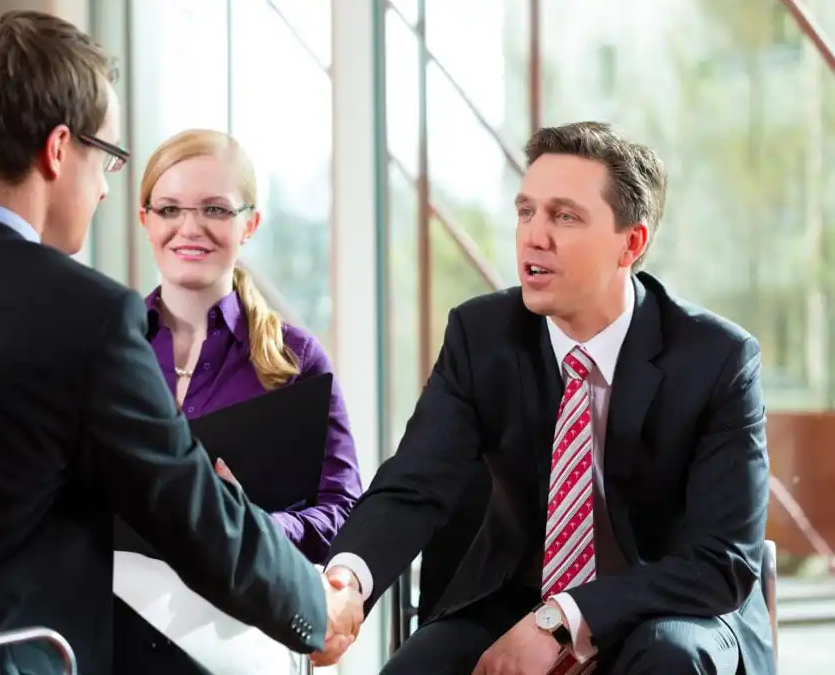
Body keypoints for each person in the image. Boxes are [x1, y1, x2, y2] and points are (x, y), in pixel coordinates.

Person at [0, 10, 360, 675]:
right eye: (109, 160)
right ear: (60, 149)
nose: (104, 187)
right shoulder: (85, 316)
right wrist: (313, 608)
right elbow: (189, 511)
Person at [316, 122, 773, 675]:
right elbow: (414, 485)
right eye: (526, 211)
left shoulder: (716, 358)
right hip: (517, 596)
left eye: (565, 216)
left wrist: (564, 619)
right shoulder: (481, 336)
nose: (534, 235)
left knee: (669, 660)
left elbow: (721, 560)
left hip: (672, 607)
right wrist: (346, 579)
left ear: (632, 243)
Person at [137, 128, 362, 564]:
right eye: (169, 209)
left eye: (215, 209)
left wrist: (257, 526)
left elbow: (344, 511)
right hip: (114, 617)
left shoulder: (296, 361)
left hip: (244, 622)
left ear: (250, 224)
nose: (189, 228)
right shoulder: (107, 350)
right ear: (145, 220)